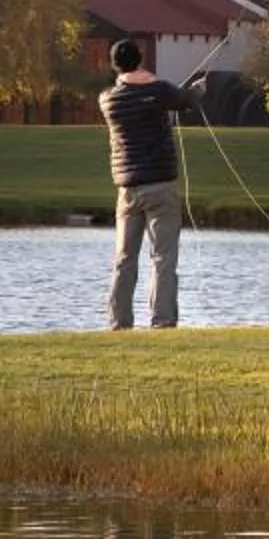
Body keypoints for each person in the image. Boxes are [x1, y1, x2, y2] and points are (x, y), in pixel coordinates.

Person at [101, 38, 201, 330]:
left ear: (114, 64)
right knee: (163, 257)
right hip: (160, 186)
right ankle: (163, 321)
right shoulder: (158, 91)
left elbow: (139, 92)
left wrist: (151, 85)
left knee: (124, 258)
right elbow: (187, 100)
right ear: (140, 59)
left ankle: (118, 323)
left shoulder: (108, 98)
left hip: (127, 191)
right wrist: (198, 89)